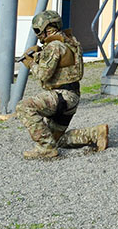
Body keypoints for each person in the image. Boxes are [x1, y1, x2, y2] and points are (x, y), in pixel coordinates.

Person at [16, 10, 108, 159]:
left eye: (38, 30)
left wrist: (31, 63)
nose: (37, 34)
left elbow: (44, 75)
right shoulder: (69, 41)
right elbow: (61, 62)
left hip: (61, 97)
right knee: (56, 139)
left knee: (24, 107)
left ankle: (46, 149)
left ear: (47, 28)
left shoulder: (54, 47)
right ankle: (95, 133)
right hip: (71, 98)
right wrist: (40, 53)